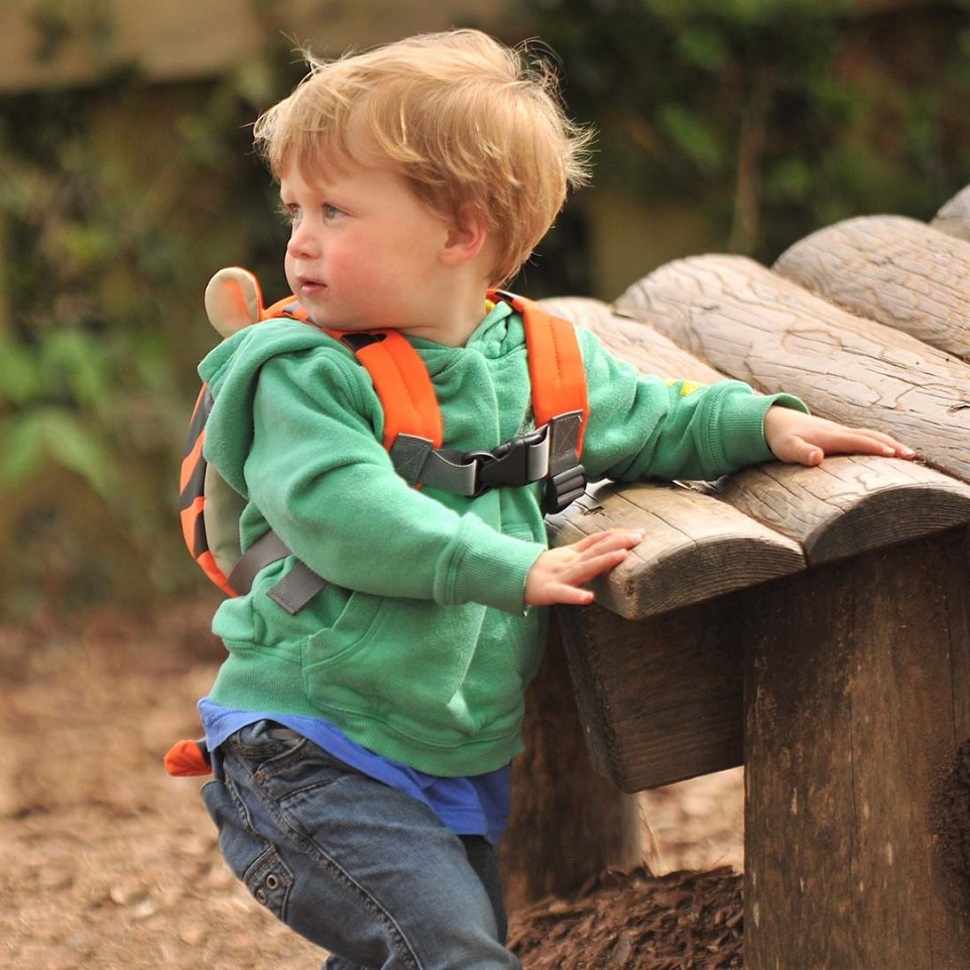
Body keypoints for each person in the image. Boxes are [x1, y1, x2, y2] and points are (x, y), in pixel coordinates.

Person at [194, 28, 914, 969]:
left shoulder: (533, 360)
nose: (299, 243)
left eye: (335, 211)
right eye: (295, 209)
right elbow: (345, 513)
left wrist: (762, 425)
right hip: (305, 747)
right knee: (455, 956)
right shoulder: (304, 375)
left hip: (443, 755)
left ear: (461, 232)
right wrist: (512, 565)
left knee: (416, 954)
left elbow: (649, 416)